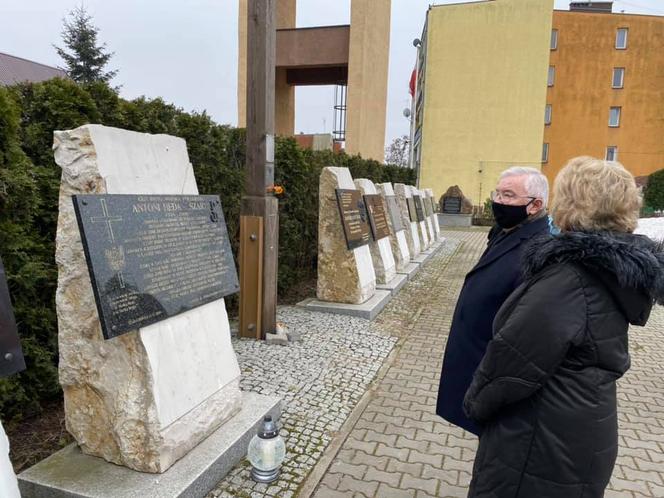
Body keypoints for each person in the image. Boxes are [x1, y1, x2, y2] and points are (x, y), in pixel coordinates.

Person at [463, 157, 664, 497]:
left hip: (538, 444)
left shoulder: (569, 280)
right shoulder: (608, 271)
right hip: (580, 432)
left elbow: (510, 365)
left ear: (573, 204)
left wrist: (474, 404)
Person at [436, 167, 550, 435]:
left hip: (491, 365)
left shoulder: (537, 249)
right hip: (474, 355)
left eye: (509, 195)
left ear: (535, 205)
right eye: (497, 193)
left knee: (489, 436)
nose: (498, 201)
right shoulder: (505, 230)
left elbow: (522, 325)